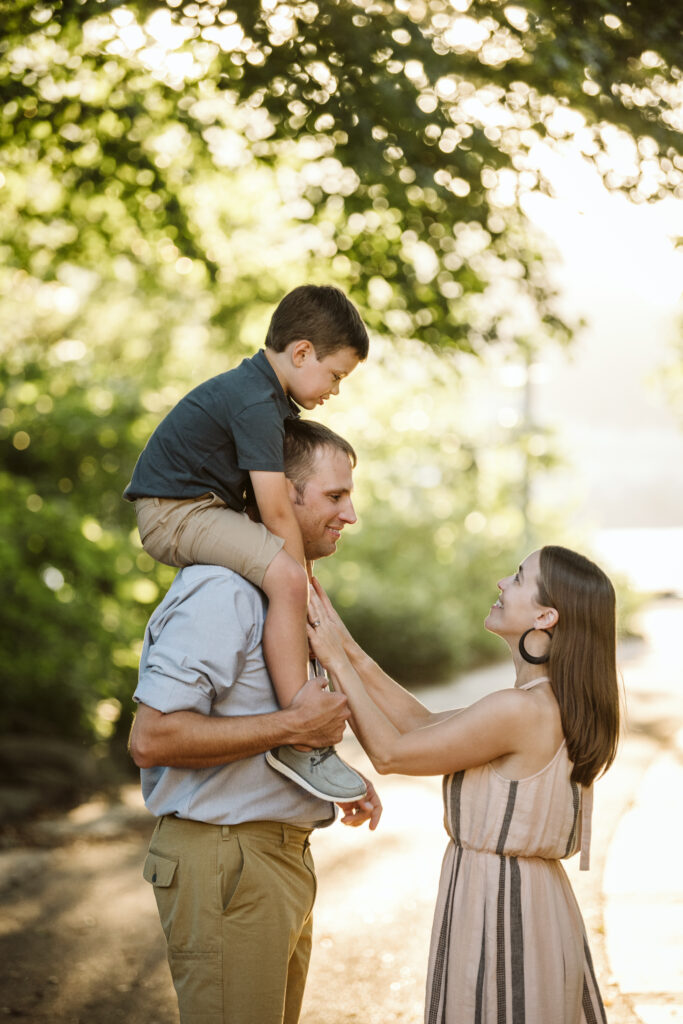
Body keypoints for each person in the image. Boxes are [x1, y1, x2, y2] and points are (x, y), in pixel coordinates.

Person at [128, 419, 382, 1024]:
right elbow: (152, 737)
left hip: (274, 860)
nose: (349, 514)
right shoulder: (224, 589)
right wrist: (291, 728)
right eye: (334, 496)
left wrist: (330, 776)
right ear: (279, 493)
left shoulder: (283, 593)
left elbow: (280, 719)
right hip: (227, 862)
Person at [306, 545, 620, 1024]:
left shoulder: (520, 710)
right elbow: (421, 724)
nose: (501, 583)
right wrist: (345, 645)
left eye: (517, 578)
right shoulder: (544, 701)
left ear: (545, 614)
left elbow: (392, 753)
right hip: (530, 901)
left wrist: (336, 662)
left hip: (502, 906)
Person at [124, 284, 370, 802]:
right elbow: (277, 507)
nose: (336, 389)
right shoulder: (256, 399)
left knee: (285, 574)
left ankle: (299, 723)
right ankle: (299, 734)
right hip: (174, 512)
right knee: (284, 575)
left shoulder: (267, 397)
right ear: (301, 352)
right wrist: (299, 580)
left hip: (197, 506)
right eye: (335, 375)